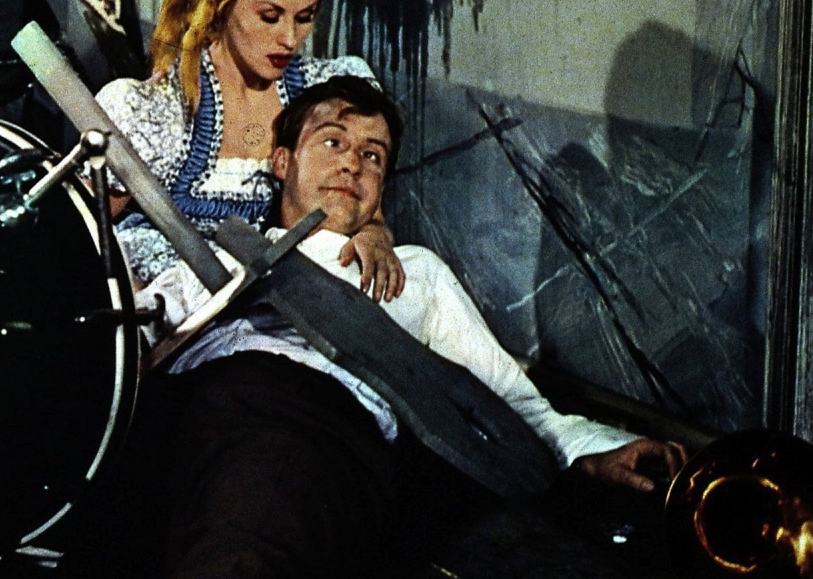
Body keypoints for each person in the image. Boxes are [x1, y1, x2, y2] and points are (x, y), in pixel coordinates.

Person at [72, 76, 688, 578]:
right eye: (333, 142)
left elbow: (510, 399)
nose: (352, 163)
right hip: (175, 413)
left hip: (306, 427)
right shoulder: (218, 255)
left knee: (244, 546)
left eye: (372, 156)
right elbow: (129, 342)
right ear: (282, 161)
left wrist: (594, 449)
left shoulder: (415, 274)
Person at [95, 0, 403, 300]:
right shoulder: (159, 109)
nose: (289, 39)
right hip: (172, 316)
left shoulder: (327, 96)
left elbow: (365, 207)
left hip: (283, 307)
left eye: (305, 18)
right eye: (270, 17)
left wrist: (375, 235)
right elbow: (80, 227)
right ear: (221, 3)